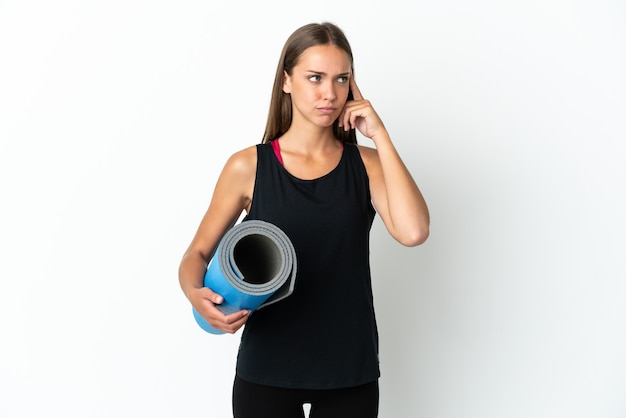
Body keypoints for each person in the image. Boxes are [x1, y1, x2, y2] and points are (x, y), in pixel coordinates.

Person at [178, 21, 430, 418]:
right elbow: (196, 254)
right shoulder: (248, 166)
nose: (330, 93)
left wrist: (378, 134)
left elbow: (414, 231)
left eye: (341, 79)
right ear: (287, 82)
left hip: (349, 369)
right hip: (267, 369)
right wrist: (195, 293)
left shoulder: (367, 165)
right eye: (315, 78)